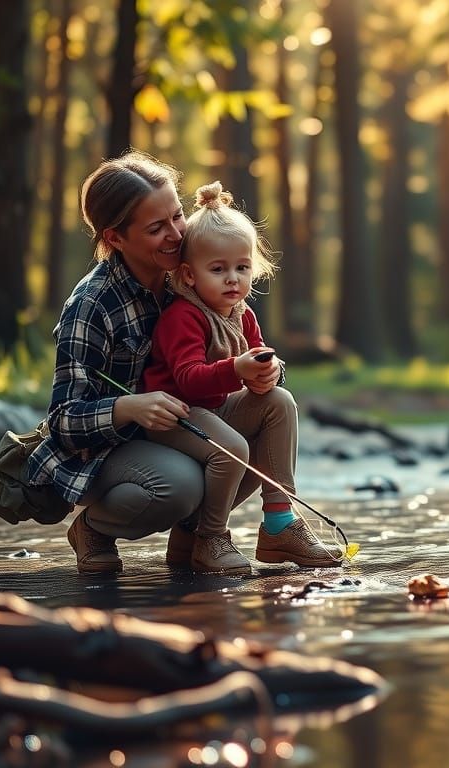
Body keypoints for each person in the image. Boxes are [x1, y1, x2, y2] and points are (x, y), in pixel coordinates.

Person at [141, 181, 343, 573]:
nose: (233, 279)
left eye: (242, 267)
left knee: (281, 403)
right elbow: (187, 379)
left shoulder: (242, 313)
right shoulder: (184, 316)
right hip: (175, 414)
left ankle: (279, 523)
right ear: (189, 275)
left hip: (213, 409)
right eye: (218, 270)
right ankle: (209, 536)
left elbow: (259, 357)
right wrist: (237, 370)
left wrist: (268, 373)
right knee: (232, 448)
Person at [28, 150, 204, 575]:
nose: (176, 234)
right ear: (115, 238)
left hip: (174, 430)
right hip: (105, 451)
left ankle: (198, 539)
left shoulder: (188, 276)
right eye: (156, 228)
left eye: (178, 216)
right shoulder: (91, 305)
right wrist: (129, 407)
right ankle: (93, 528)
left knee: (269, 410)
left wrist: (262, 369)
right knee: (180, 485)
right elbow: (63, 421)